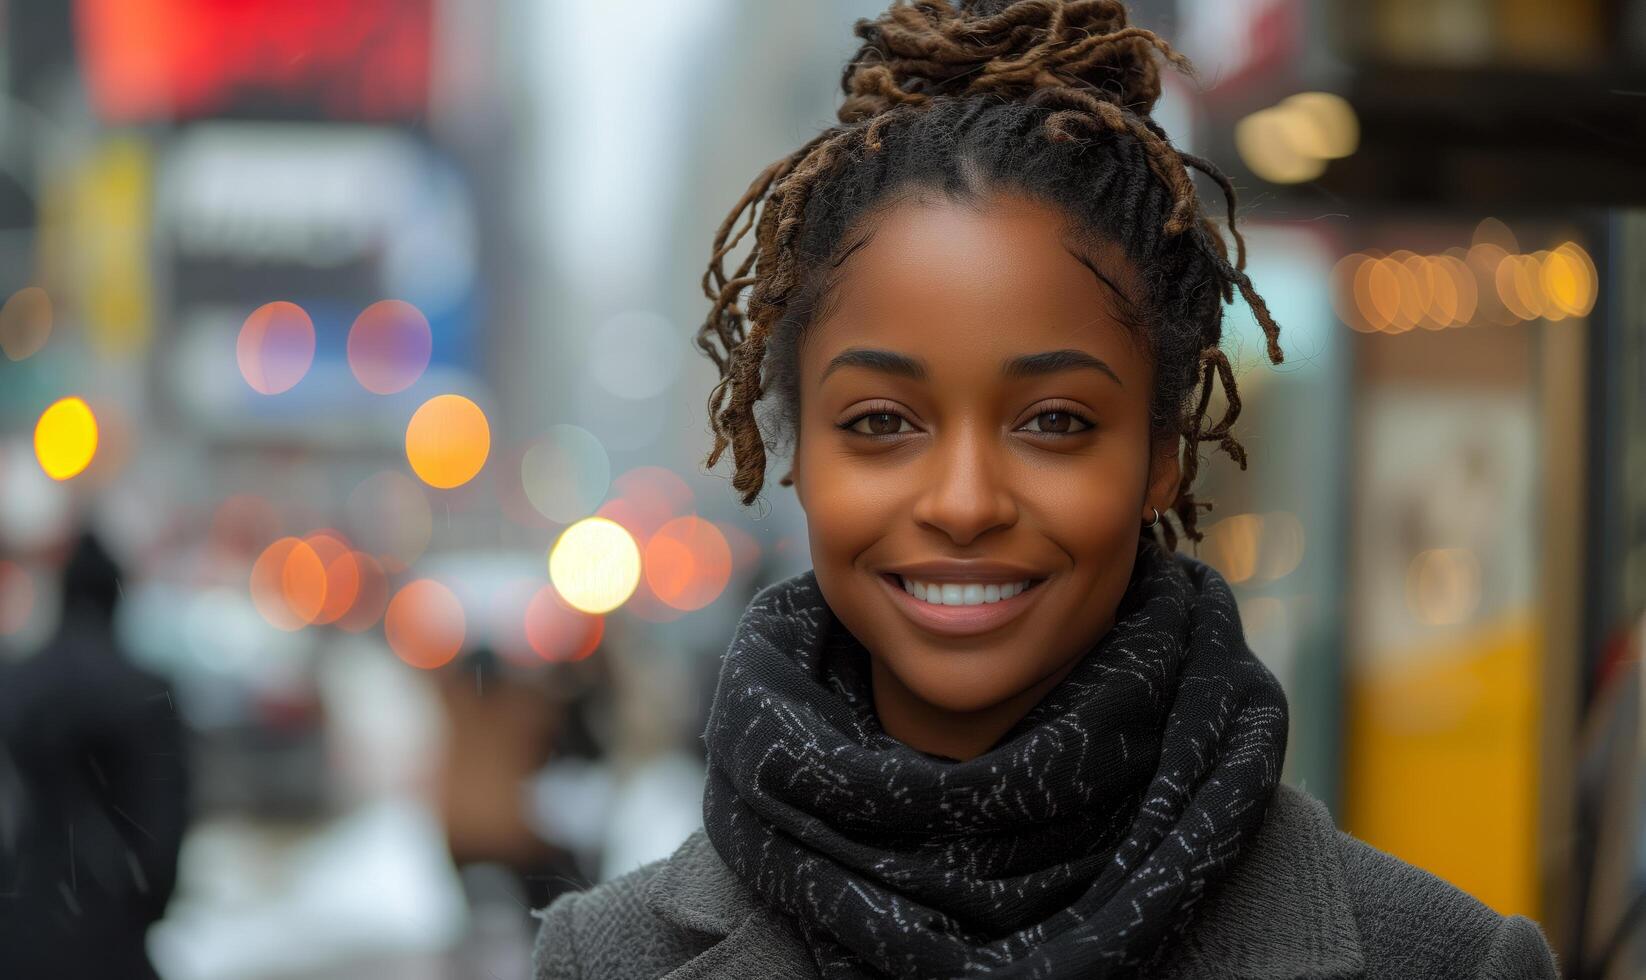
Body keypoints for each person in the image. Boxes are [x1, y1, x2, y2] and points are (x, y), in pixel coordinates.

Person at [532, 1, 1562, 976]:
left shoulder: (1446, 961)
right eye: (881, 423)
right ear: (796, 446)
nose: (965, 500)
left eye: (1054, 422)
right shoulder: (608, 958)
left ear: (1161, 448)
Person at [0, 530, 189, 979]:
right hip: (112, 928)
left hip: (25, 920)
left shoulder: (17, 684)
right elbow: (166, 822)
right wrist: (143, 905)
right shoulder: (144, 691)